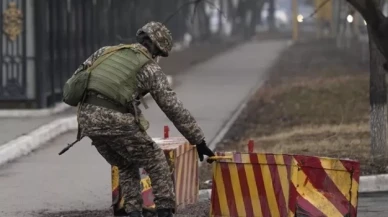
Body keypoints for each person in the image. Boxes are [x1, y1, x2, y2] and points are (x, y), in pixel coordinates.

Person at [74, 21, 216, 217]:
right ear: (156, 48)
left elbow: (78, 77)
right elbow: (172, 107)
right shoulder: (150, 68)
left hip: (86, 119)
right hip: (115, 119)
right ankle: (165, 211)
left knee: (125, 163)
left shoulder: (106, 52)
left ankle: (132, 212)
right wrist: (198, 140)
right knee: (156, 160)